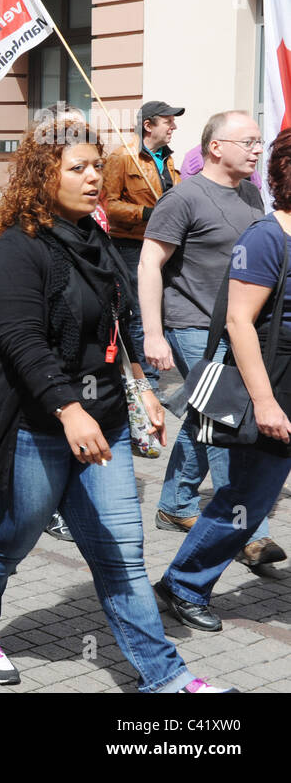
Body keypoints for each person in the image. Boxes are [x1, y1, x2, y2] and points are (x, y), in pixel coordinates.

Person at [0, 116, 227, 693]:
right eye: (76, 168)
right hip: (34, 424)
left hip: (103, 423)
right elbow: (21, 341)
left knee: (123, 557)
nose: (93, 177)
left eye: (96, 165)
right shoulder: (17, 247)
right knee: (10, 537)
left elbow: (117, 320)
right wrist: (67, 409)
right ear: (41, 175)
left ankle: (167, 680)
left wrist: (142, 386)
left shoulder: (93, 236)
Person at [154, 127, 291, 636]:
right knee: (247, 498)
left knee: (253, 495)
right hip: (273, 380)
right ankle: (183, 585)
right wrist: (266, 403)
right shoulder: (266, 237)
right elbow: (239, 323)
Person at [103, 100, 185, 391]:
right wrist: (146, 213)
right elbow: (109, 205)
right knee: (139, 312)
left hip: (165, 246)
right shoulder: (123, 157)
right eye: (168, 121)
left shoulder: (170, 160)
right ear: (148, 125)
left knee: (161, 310)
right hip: (131, 246)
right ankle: (145, 381)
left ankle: (157, 371)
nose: (173, 126)